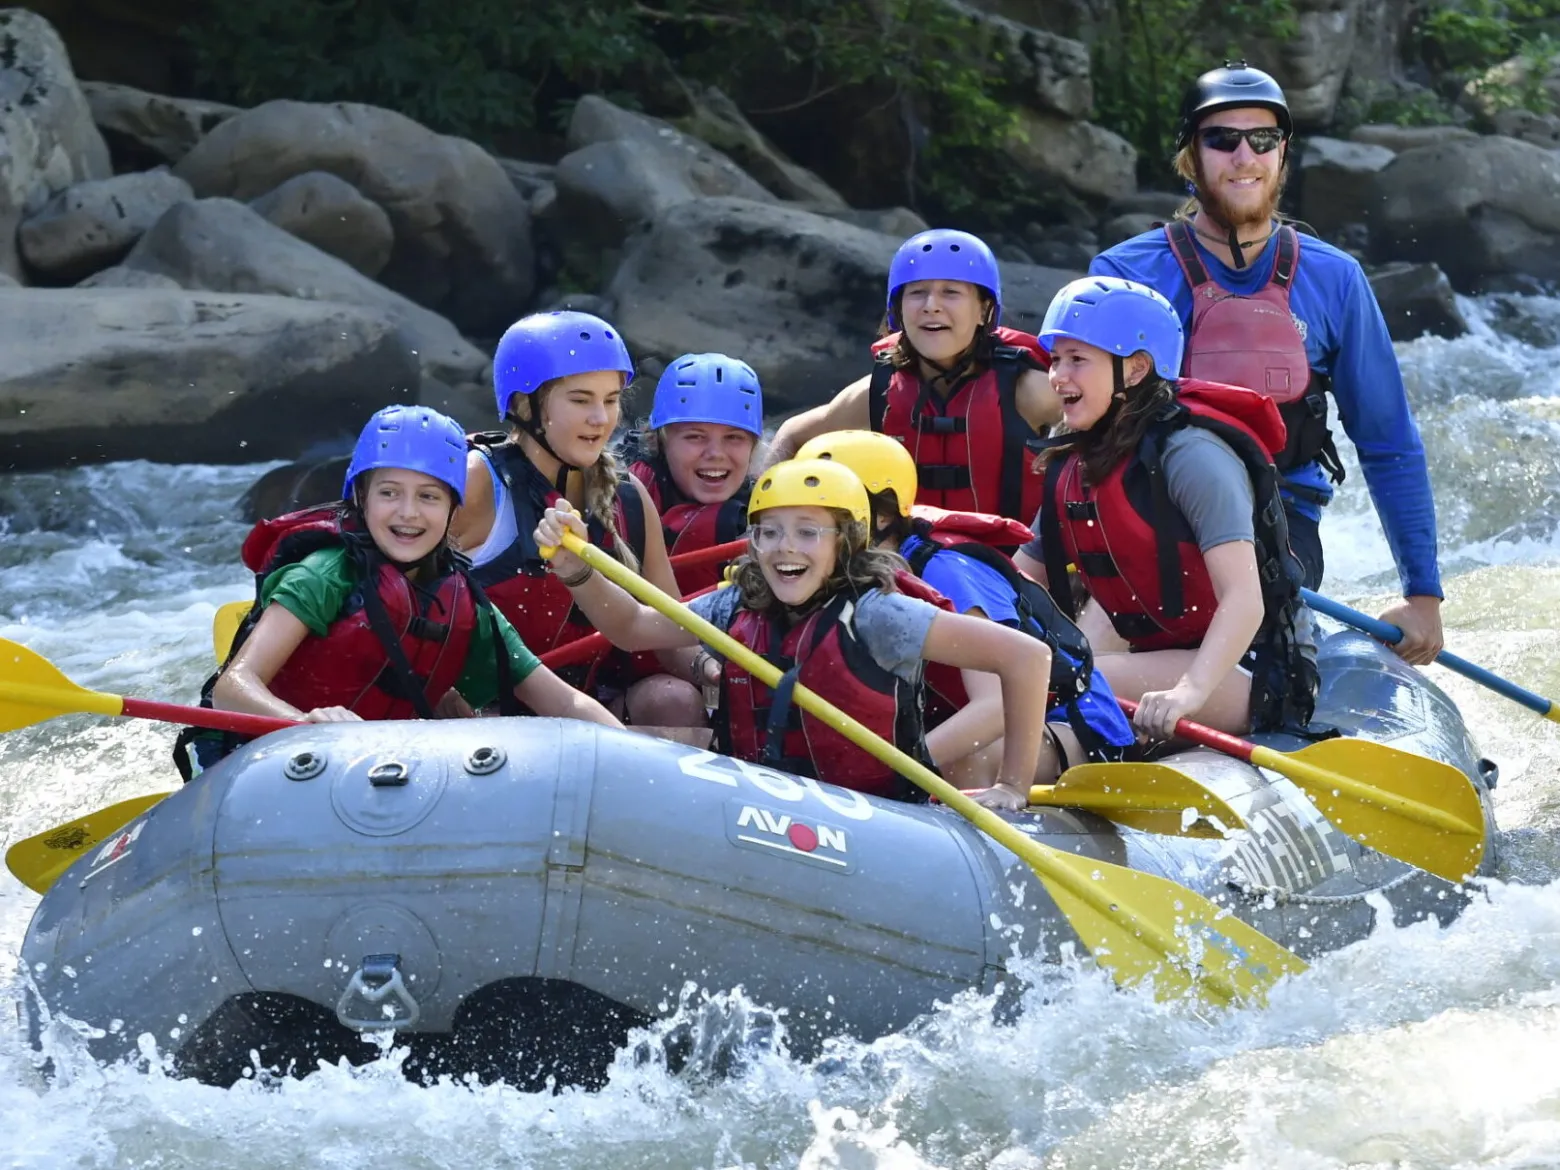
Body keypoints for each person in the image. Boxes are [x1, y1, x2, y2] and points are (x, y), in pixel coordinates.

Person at [1089, 59, 1443, 663]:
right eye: (1222, 140)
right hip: (1146, 520)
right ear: (1189, 158)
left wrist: (1422, 595)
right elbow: (1076, 423)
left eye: (1263, 140)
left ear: (1282, 154)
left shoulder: (1336, 279)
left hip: (1279, 526)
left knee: (1246, 623)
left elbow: (1388, 442)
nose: (1243, 156)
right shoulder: (1123, 275)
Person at [534, 458, 1059, 806]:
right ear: (754, 543)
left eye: (809, 532)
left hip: (878, 818)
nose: (787, 547)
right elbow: (631, 628)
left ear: (847, 543)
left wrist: (1013, 786)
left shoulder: (879, 617)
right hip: (766, 801)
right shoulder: (735, 604)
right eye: (770, 532)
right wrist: (575, 570)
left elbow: (1028, 658)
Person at [199, 404, 621, 744]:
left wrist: (631, 751)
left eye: (429, 496)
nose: (408, 512)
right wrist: (306, 727)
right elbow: (233, 687)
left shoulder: (465, 604)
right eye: (388, 493)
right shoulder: (325, 574)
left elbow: (565, 701)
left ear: (454, 508)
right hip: (280, 762)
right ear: (360, 497)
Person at [1016, 276, 1317, 741]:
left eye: (1078, 360)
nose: (1057, 377)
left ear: (1136, 369)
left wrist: (1188, 693)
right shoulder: (1077, 460)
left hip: (1249, 666)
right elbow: (1019, 580)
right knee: (1039, 668)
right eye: (1056, 360)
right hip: (1154, 645)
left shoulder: (1191, 455)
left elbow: (1243, 598)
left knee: (1069, 679)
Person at [793, 429, 1137, 793]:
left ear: (880, 517)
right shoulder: (821, 573)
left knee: (966, 753)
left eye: (824, 516)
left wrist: (889, 772)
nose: (804, 536)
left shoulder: (944, 571)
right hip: (972, 719)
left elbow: (996, 706)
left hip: (1069, 727)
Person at [448, 311, 706, 727]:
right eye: (581, 399)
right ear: (523, 405)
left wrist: (709, 669)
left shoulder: (628, 497)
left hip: (589, 709)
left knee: (673, 700)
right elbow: (407, 593)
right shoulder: (476, 481)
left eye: (610, 400)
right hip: (487, 715)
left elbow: (667, 627)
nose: (601, 419)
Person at [765, 229, 1059, 523]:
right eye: (917, 292)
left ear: (984, 311)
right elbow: (792, 434)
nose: (931, 305)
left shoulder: (1030, 389)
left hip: (1009, 563)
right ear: (899, 311)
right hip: (907, 562)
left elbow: (1101, 436)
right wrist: (765, 516)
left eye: (951, 292)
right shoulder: (878, 393)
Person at [622, 352, 763, 592]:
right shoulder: (622, 488)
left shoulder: (766, 524)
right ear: (659, 440)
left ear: (753, 447)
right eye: (695, 437)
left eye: (734, 437)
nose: (715, 453)